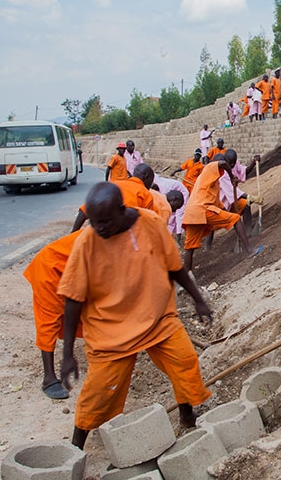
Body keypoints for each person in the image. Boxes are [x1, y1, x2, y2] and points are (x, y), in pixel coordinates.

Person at [59, 182, 213, 450]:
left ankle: (187, 416)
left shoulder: (150, 223)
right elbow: (73, 299)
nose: (100, 228)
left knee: (185, 362)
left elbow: (174, 267)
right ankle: (75, 448)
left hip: (157, 318)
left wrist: (198, 299)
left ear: (122, 210)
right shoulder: (87, 242)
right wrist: (67, 353)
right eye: (94, 223)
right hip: (111, 330)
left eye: (105, 221)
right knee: (98, 393)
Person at [23, 231, 84, 400]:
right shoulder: (103, 236)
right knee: (49, 321)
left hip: (72, 272)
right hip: (50, 269)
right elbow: (75, 299)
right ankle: (48, 378)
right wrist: (68, 354)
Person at [181, 157, 263, 274]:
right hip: (203, 209)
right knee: (235, 219)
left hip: (192, 214)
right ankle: (250, 251)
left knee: (189, 247)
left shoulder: (211, 182)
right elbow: (223, 163)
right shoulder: (209, 169)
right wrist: (231, 177)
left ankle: (186, 276)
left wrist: (227, 214)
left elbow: (220, 206)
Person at [72, 163, 159, 231]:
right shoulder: (146, 195)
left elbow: (83, 213)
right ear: (146, 177)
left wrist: (73, 234)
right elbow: (150, 224)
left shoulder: (113, 185)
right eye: (151, 181)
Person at [155, 175, 189, 243]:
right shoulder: (155, 186)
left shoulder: (164, 189)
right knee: (169, 217)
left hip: (181, 196)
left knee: (179, 216)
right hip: (174, 198)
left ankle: (177, 240)